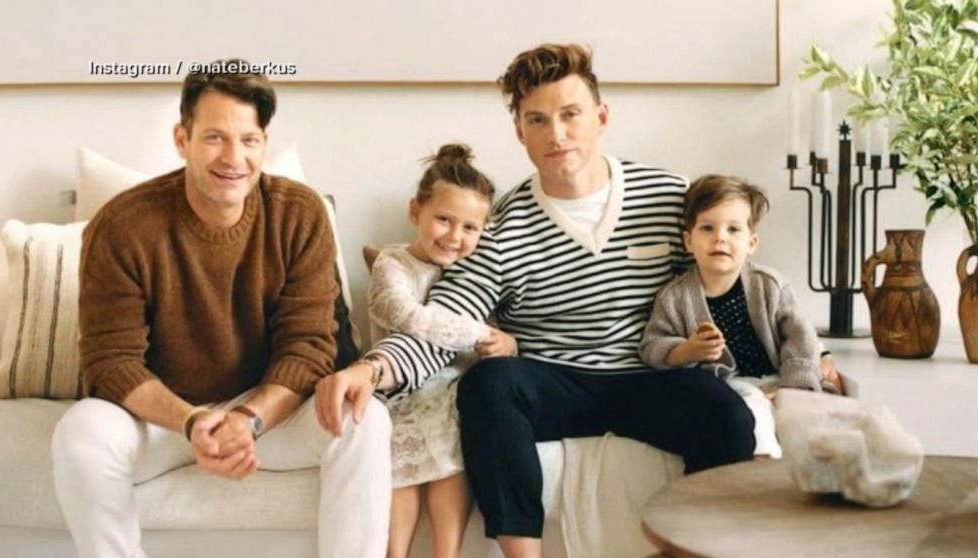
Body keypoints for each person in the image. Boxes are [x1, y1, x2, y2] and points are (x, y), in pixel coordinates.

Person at [323, 44, 847, 558]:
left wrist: (809, 354)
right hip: (552, 383)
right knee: (488, 384)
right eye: (537, 120)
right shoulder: (501, 226)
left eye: (570, 114)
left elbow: (733, 280)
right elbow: (444, 322)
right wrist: (373, 370)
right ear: (519, 132)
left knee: (727, 414)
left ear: (601, 117)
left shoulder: (669, 197)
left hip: (650, 378)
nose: (556, 134)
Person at [52, 59, 391, 558]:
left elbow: (308, 348)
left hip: (263, 414)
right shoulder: (123, 226)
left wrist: (248, 419)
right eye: (214, 138)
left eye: (248, 140)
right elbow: (111, 362)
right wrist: (193, 422)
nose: (234, 158)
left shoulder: (300, 214)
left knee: (366, 419)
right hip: (163, 418)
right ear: (182, 139)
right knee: (81, 432)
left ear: (264, 143)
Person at [367, 144, 517, 558]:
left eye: (470, 227)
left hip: (456, 389)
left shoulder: (477, 274)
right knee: (402, 465)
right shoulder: (393, 263)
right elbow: (405, 314)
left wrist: (507, 342)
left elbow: (502, 332)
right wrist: (478, 331)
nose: (454, 237)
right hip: (402, 387)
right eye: (444, 220)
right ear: (415, 211)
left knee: (453, 454)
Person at [639, 174, 844, 457]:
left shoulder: (770, 285)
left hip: (782, 377)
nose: (720, 237)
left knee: (810, 416)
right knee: (753, 410)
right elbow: (652, 346)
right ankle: (763, 464)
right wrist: (687, 350)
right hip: (730, 388)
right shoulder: (674, 297)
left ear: (752, 242)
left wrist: (794, 386)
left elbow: (800, 337)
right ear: (688, 240)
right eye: (707, 228)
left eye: (733, 229)